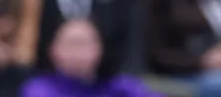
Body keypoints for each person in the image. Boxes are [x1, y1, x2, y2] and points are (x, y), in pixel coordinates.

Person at [21, 19, 160, 97]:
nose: (78, 51)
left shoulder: (120, 85)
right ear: (53, 50)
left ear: (100, 49)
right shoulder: (39, 89)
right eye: (72, 43)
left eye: (85, 43)